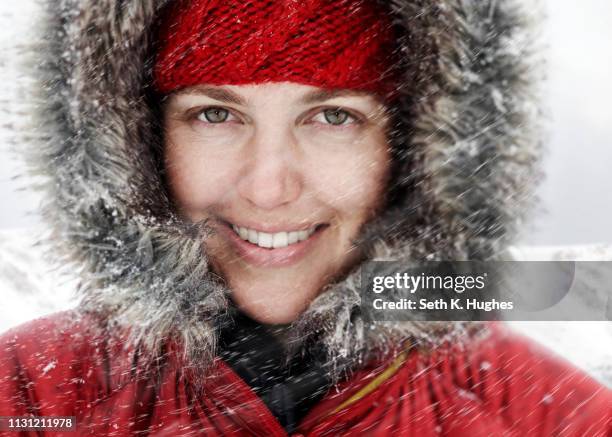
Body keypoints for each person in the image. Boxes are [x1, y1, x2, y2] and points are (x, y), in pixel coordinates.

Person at [0, 0, 610, 435]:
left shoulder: (554, 419)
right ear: (137, 142)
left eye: (334, 117)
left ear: (414, 153)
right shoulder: (29, 393)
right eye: (214, 114)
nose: (268, 188)